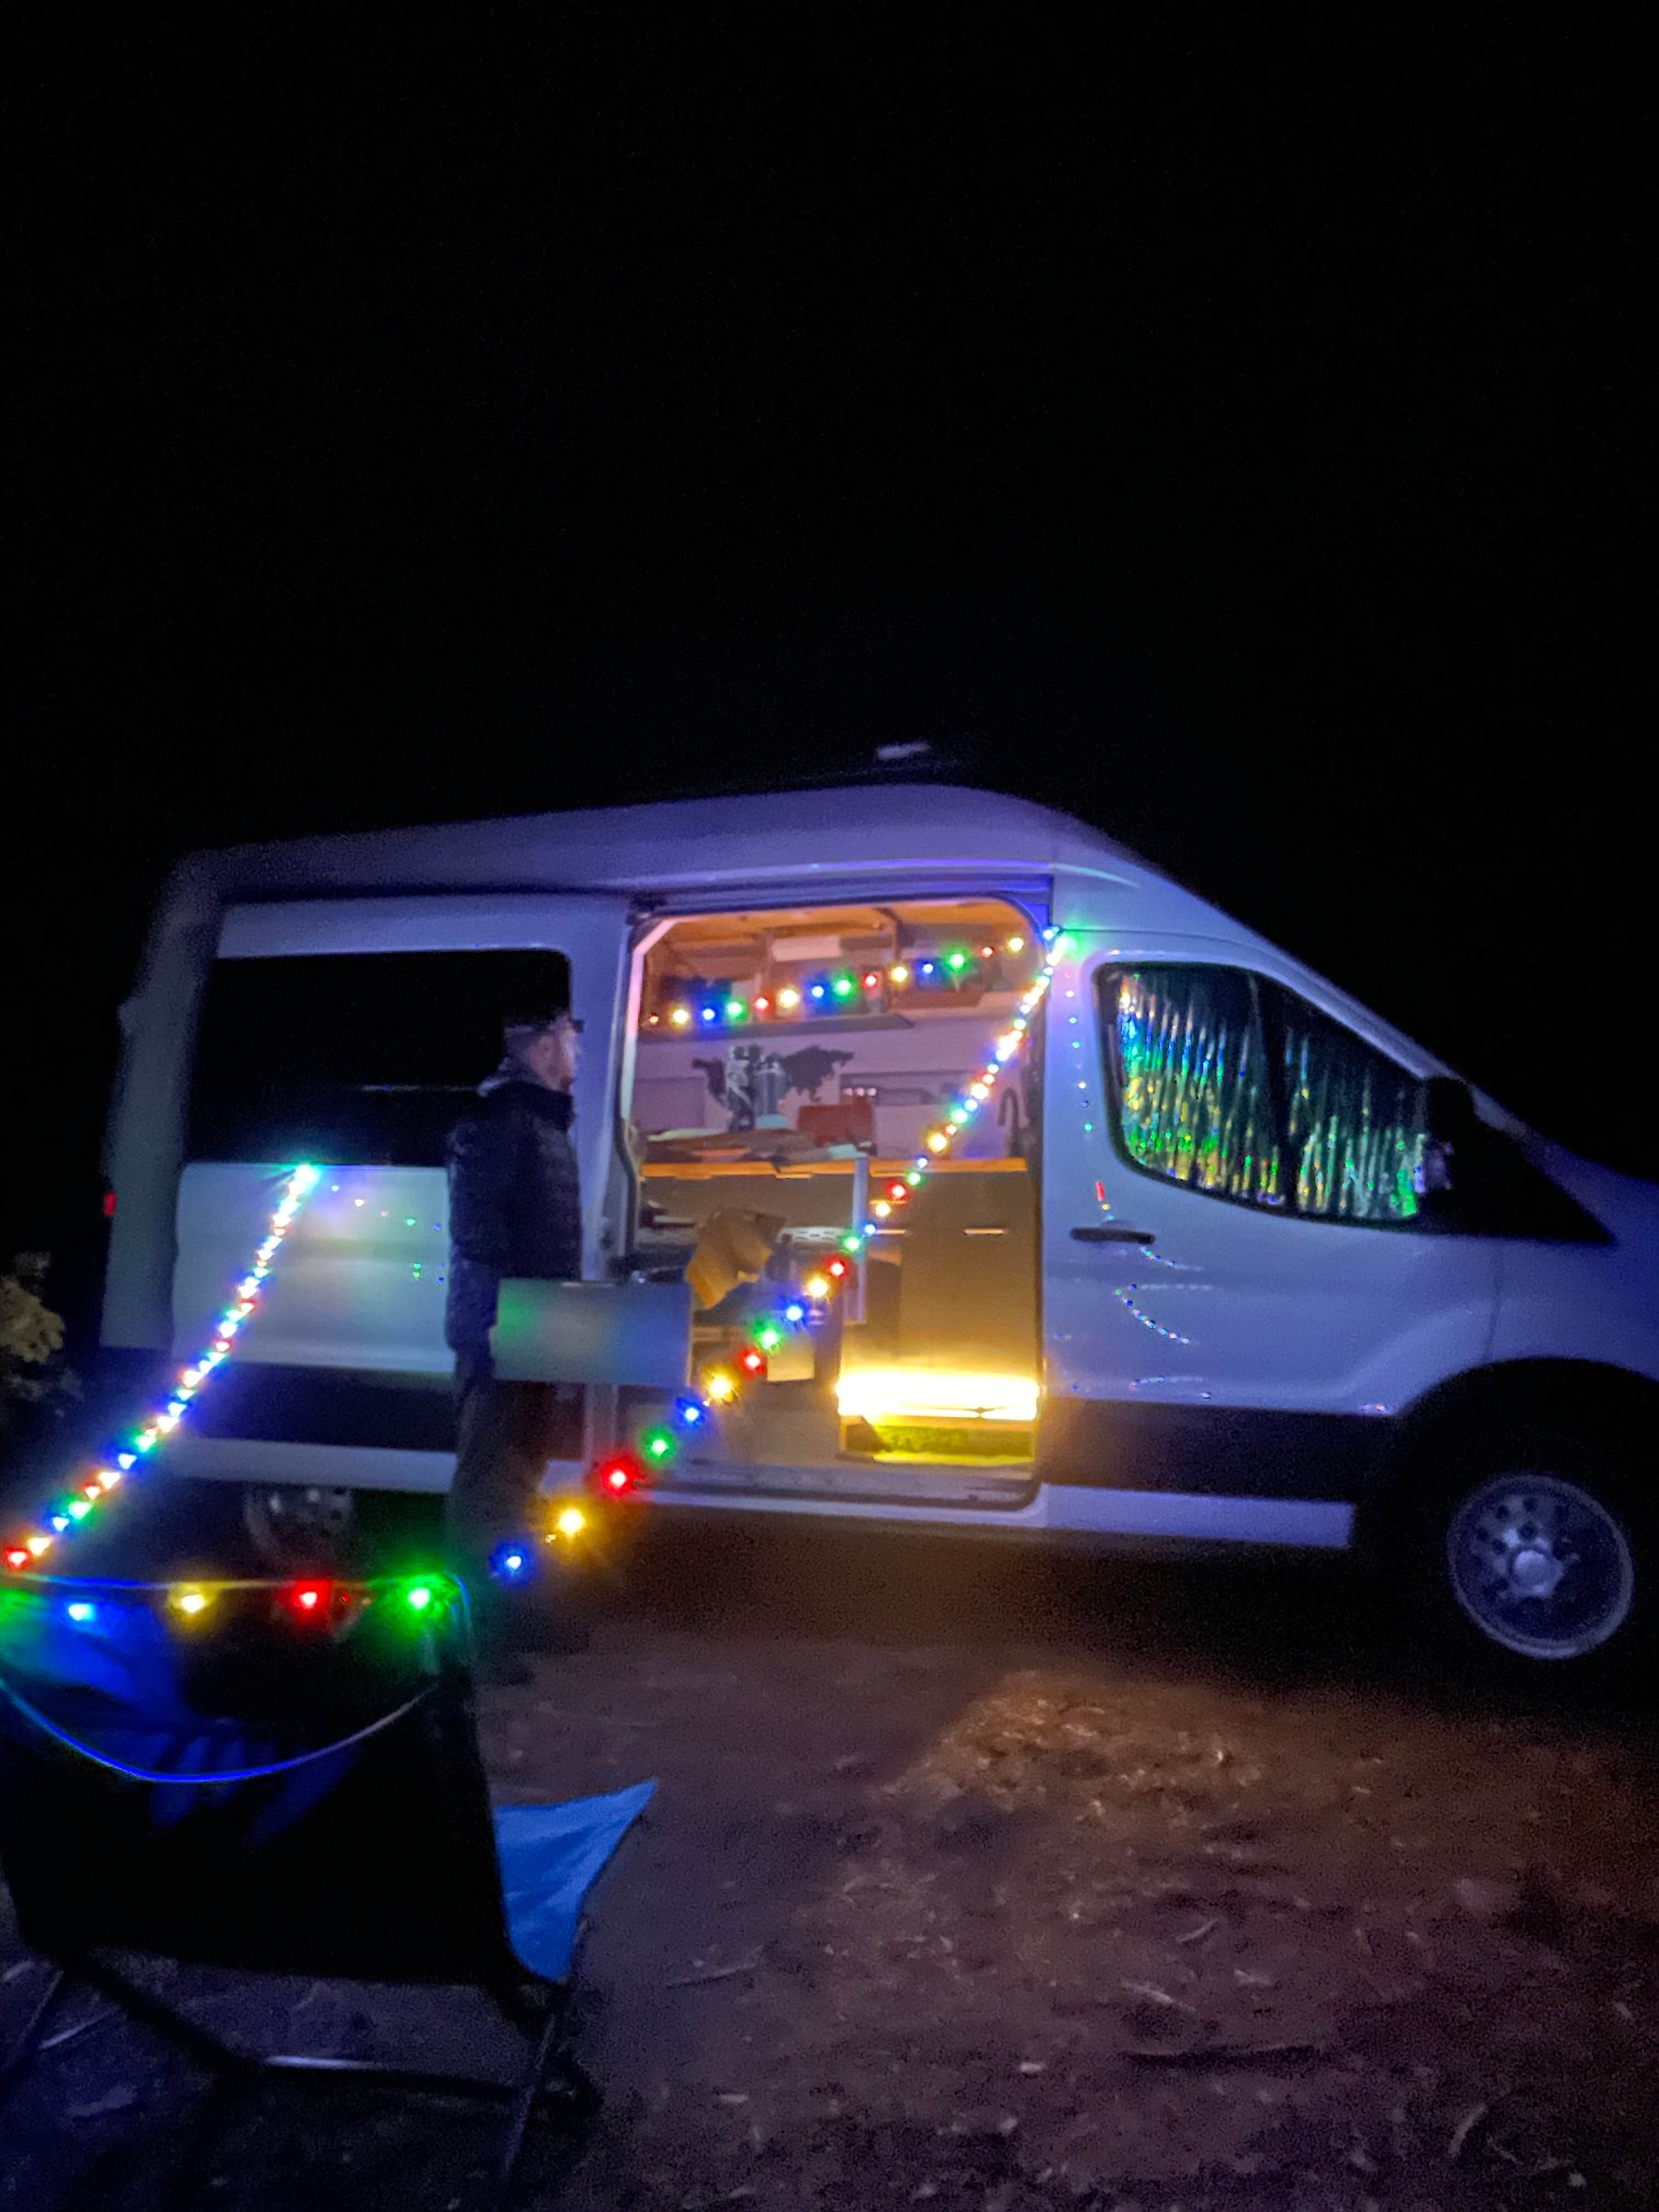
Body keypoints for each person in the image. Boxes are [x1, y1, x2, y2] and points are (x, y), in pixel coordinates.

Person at [445, 1008, 584, 1676]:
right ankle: (475, 1634)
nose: (577, 1049)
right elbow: (478, 1230)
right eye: (569, 1036)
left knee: (522, 1479)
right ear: (541, 1047)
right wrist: (501, 1317)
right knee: (487, 1484)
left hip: (537, 1321)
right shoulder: (496, 1122)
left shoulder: (543, 1122)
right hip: (504, 1325)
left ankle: (517, 1611)